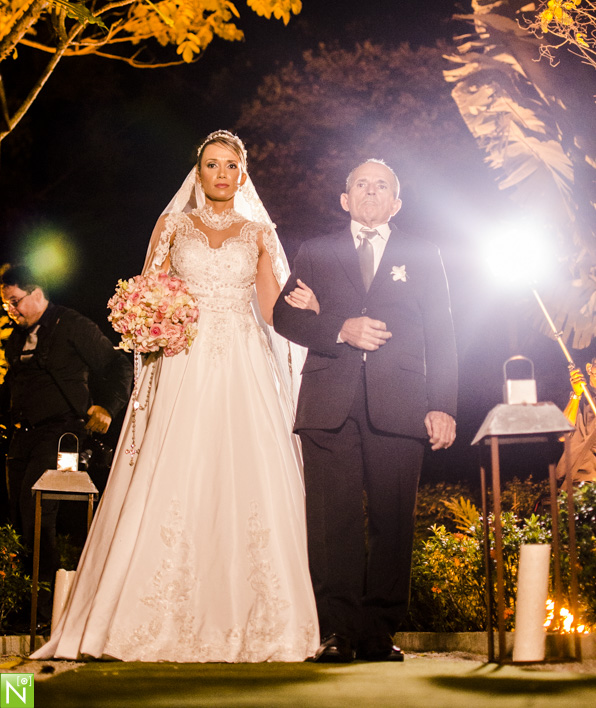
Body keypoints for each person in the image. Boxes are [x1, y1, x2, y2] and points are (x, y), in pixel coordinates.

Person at [34, 131, 318, 662]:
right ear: (198, 171)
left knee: (245, 470)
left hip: (242, 362)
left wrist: (310, 307)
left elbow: (273, 309)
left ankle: (257, 620)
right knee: (175, 465)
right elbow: (150, 288)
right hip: (183, 357)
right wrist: (146, 319)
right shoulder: (173, 225)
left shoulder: (258, 232)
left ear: (243, 173)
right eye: (212, 165)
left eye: (231, 166)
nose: (222, 174)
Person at [273, 159, 458, 663]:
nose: (371, 192)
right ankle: (337, 631)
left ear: (396, 204)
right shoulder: (317, 249)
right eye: (361, 184)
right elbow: (283, 314)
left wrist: (443, 405)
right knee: (332, 523)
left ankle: (378, 632)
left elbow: (442, 332)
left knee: (393, 520)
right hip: (328, 402)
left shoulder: (424, 253)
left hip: (401, 404)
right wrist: (339, 326)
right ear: (344, 199)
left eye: (382, 187)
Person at [0, 265, 133, 627]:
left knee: (38, 509)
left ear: (37, 292)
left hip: (64, 435)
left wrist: (107, 408)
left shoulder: (72, 325)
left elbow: (117, 364)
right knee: (17, 514)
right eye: (7, 304)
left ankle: (46, 610)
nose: (11, 310)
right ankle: (31, 603)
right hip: (24, 435)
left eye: (15, 302)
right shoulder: (14, 339)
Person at [556, 361, 596, 484]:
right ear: (589, 368)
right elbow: (562, 434)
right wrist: (576, 395)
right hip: (579, 482)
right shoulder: (576, 395)